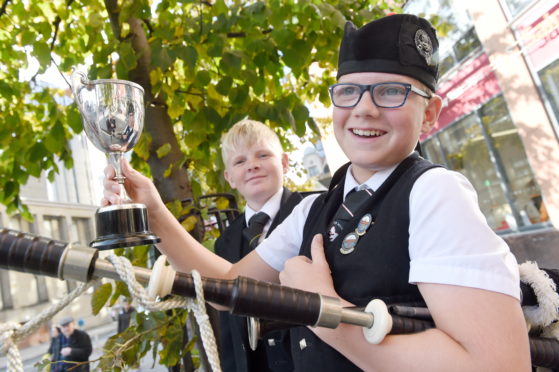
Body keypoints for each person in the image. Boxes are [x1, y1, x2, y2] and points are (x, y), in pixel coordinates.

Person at [102, 14, 530, 371]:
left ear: (430, 114)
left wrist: (322, 310)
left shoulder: (434, 193)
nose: (364, 108)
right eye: (349, 91)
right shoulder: (314, 208)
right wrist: (154, 214)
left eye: (391, 91)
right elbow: (230, 284)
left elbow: (498, 363)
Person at [213, 119, 303, 372]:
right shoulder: (225, 242)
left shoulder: (313, 214)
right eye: (240, 161)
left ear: (284, 162)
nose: (252, 165)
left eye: (263, 155)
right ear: (229, 178)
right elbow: (229, 327)